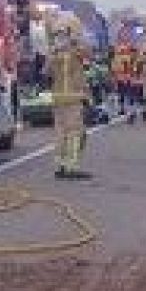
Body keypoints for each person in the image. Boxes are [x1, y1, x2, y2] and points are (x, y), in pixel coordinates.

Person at [50, 16, 91, 179]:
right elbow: (88, 54)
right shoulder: (75, 52)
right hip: (73, 98)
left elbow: (46, 72)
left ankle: (60, 165)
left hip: (58, 98)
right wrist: (75, 41)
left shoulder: (54, 54)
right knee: (75, 132)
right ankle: (71, 167)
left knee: (61, 132)